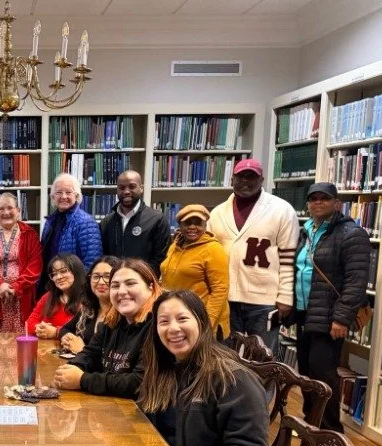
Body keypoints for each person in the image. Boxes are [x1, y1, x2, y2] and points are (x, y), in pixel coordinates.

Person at [138, 290, 269, 446]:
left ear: (201, 321)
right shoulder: (168, 370)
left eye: (182, 319)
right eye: (163, 322)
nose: (173, 328)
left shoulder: (232, 378)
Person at [294, 182, 371, 432]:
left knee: (324, 376)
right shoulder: (305, 231)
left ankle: (330, 432)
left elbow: (356, 281)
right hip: (305, 314)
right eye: (313, 198)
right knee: (305, 372)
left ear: (336, 202)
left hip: (329, 319)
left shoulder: (351, 234)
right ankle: (311, 423)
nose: (318, 202)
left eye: (324, 198)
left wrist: (341, 318)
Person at [207, 158, 298, 352]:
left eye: (252, 177)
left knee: (262, 356)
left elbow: (288, 259)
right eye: (241, 177)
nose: (246, 182)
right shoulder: (217, 213)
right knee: (225, 355)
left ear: (262, 179)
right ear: (232, 179)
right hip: (226, 297)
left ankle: (263, 385)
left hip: (264, 300)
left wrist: (286, 297)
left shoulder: (282, 210)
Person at [53, 258, 159, 399]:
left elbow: (139, 382)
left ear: (150, 287)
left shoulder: (158, 325)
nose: (121, 291)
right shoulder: (111, 322)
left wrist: (82, 380)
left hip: (142, 416)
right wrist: (70, 369)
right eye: (115, 286)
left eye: (130, 283)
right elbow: (89, 354)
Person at [159, 204, 230, 338]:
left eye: (198, 223)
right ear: (179, 225)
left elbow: (220, 290)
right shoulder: (175, 245)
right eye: (187, 223)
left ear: (205, 225)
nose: (192, 227)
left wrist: (207, 323)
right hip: (180, 316)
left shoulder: (213, 249)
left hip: (202, 321)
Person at [0, 193, 43, 332]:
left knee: (19, 339)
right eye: (1, 209)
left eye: (10, 208)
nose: (6, 212)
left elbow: (35, 267)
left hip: (21, 294)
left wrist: (16, 287)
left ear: (18, 211)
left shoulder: (30, 234)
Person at [99, 169, 170, 277]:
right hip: (114, 282)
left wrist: (145, 280)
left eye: (132, 186)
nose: (126, 191)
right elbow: (104, 256)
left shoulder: (157, 219)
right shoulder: (106, 222)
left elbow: (160, 257)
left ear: (141, 188)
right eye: (121, 188)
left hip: (144, 283)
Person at [40, 173, 103, 289]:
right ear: (53, 197)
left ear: (77, 196)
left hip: (74, 289)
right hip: (52, 285)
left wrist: (77, 289)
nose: (63, 196)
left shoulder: (86, 223)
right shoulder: (50, 222)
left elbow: (92, 262)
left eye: (68, 192)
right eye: (59, 192)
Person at [58, 256, 122, 354]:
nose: (101, 282)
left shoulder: (124, 315)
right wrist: (67, 338)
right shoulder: (89, 310)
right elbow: (65, 329)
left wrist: (82, 350)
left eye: (107, 277)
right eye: (96, 276)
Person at [27, 254, 88, 338]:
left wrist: (55, 332)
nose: (58, 277)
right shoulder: (48, 296)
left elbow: (86, 333)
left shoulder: (88, 298)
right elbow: (29, 323)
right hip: (47, 348)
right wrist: (39, 328)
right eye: (54, 274)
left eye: (63, 271)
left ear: (76, 271)